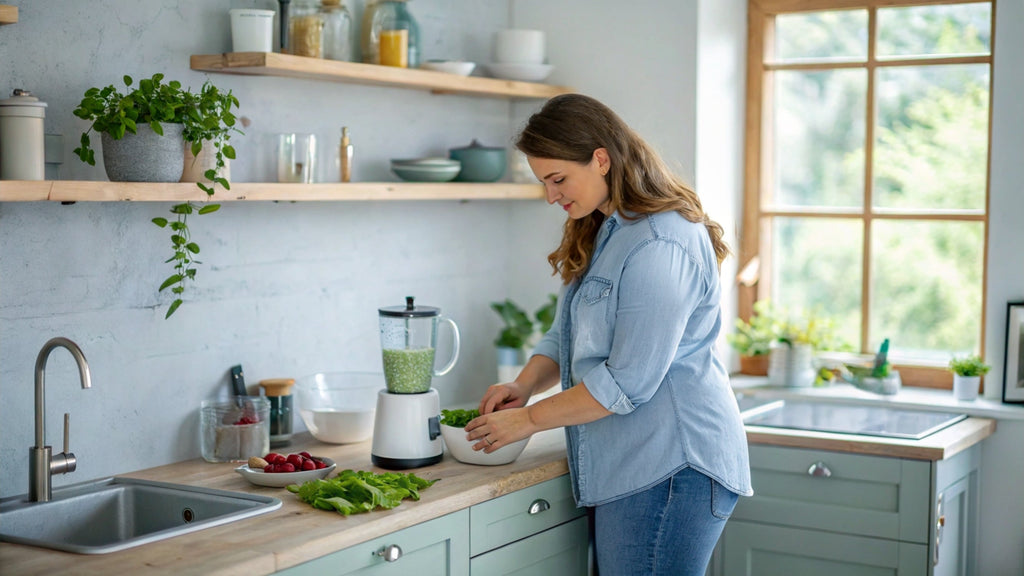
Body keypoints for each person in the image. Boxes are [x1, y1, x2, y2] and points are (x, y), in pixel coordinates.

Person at [464, 93, 752, 575]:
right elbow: (567, 333)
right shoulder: (606, 230)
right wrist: (523, 385)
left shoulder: (661, 242)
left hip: (672, 467)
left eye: (558, 179)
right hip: (634, 465)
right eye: (543, 182)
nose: (551, 196)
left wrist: (529, 420)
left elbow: (627, 381)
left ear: (601, 159)